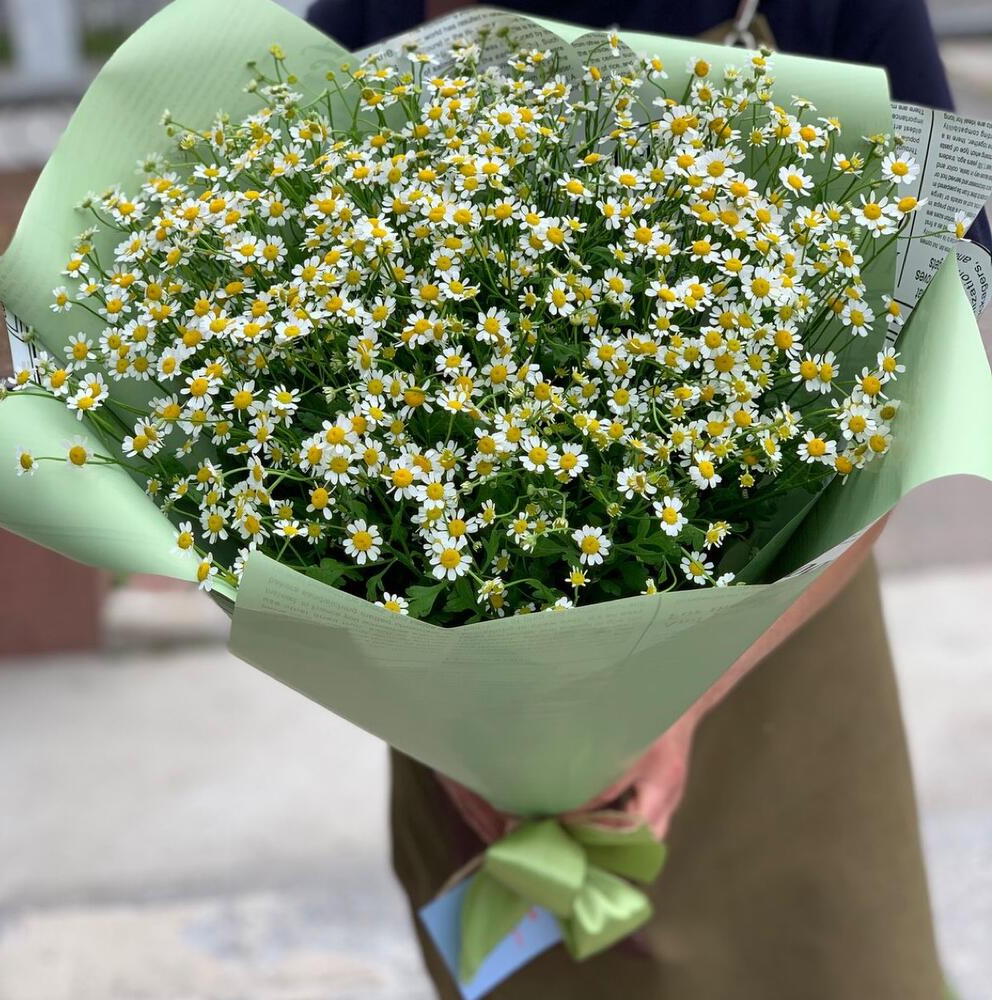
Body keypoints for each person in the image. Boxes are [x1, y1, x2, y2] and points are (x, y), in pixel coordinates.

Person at [305, 2, 967, 996]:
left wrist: (684, 697)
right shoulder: (383, 12)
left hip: (779, 666)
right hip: (485, 713)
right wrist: (445, 721)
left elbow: (926, 341)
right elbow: (304, 344)